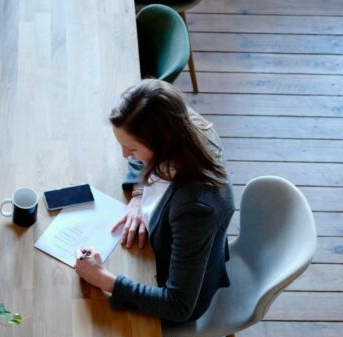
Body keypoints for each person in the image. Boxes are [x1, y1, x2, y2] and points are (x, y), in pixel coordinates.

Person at [73, 79, 234, 324]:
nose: (125, 156)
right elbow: (142, 161)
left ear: (163, 143)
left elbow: (178, 306)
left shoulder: (195, 209)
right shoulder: (180, 123)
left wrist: (103, 279)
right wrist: (139, 193)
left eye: (132, 148)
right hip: (161, 249)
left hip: (174, 292)